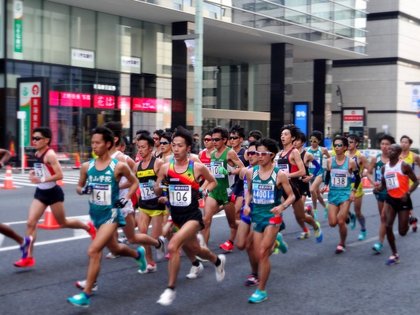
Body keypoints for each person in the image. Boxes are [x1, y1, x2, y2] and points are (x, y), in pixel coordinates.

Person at [67, 127, 146, 308]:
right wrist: (84, 190)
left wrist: (125, 198)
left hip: (112, 214)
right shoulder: (87, 166)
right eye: (92, 142)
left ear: (108, 144)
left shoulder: (118, 166)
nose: (94, 146)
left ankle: (86, 294)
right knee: (116, 248)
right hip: (96, 214)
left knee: (94, 251)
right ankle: (137, 254)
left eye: (98, 143)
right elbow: (79, 187)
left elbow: (134, 182)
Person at [154, 127, 226, 306]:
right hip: (176, 215)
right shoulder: (165, 168)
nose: (176, 149)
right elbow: (158, 187)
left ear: (188, 148)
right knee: (196, 249)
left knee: (174, 245)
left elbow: (213, 182)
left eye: (180, 146)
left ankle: (170, 289)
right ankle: (217, 260)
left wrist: (202, 191)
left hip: (192, 216)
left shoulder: (197, 167)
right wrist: (162, 192)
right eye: (174, 145)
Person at [14, 127, 96, 268]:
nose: (34, 141)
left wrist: (41, 180)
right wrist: (34, 173)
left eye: (37, 138)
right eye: (33, 138)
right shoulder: (37, 152)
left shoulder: (50, 154)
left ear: (47, 140)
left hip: (53, 193)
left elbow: (59, 175)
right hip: (40, 193)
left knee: (63, 222)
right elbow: (43, 170)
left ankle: (87, 227)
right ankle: (28, 257)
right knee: (30, 223)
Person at [244, 138, 295, 303]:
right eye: (256, 152)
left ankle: (262, 290)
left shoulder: (279, 175)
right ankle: (277, 241)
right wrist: (246, 204)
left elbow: (292, 196)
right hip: (258, 215)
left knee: (263, 253)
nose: (258, 156)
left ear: (271, 155)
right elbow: (249, 191)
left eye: (262, 153)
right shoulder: (252, 172)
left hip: (273, 216)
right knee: (260, 253)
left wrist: (282, 207)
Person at [277, 125, 323, 243]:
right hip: (282, 187)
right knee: (275, 209)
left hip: (295, 187)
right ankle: (275, 238)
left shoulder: (295, 152)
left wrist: (288, 175)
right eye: (282, 134)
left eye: (286, 134)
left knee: (300, 216)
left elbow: (302, 171)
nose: (283, 136)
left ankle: (315, 225)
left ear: (292, 138)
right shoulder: (280, 153)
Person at [374, 144, 419, 265]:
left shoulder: (404, 166)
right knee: (388, 225)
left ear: (398, 153)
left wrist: (408, 192)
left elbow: (415, 181)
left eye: (392, 149)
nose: (389, 151)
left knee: (402, 232)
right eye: (388, 149)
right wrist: (378, 189)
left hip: (403, 200)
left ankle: (410, 219)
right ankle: (394, 254)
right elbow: (384, 185)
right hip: (391, 199)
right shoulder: (384, 168)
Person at [203, 126, 244, 251]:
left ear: (224, 140)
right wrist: (204, 188)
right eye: (212, 140)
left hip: (227, 192)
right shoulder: (213, 154)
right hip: (215, 191)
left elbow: (242, 168)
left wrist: (229, 172)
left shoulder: (230, 153)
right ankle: (203, 249)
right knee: (206, 220)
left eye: (216, 140)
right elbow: (211, 173)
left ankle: (247, 229)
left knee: (232, 223)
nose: (213, 142)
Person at [135, 133, 167, 273]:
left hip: (156, 205)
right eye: (138, 147)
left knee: (153, 238)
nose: (140, 150)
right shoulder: (137, 166)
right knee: (142, 235)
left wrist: (157, 186)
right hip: (144, 205)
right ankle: (150, 262)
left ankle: (159, 243)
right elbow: (135, 184)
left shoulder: (158, 163)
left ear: (150, 148)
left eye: (143, 147)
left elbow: (162, 184)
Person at [323, 136, 360, 254]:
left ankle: (342, 243)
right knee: (332, 223)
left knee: (340, 221)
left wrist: (353, 191)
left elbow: (358, 178)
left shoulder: (351, 162)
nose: (337, 147)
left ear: (345, 147)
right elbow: (328, 175)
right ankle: (347, 216)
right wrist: (325, 185)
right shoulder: (329, 161)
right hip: (333, 194)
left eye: (340, 145)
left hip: (345, 194)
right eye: (335, 145)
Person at [220, 125, 249, 252]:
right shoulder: (226, 152)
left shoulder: (246, 153)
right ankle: (246, 234)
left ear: (241, 139)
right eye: (230, 138)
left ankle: (231, 241)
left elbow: (247, 169)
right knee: (231, 215)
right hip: (230, 186)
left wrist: (232, 172)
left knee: (236, 212)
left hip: (244, 186)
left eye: (235, 138)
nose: (232, 140)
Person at [367, 134, 395, 254]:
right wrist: (374, 183)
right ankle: (386, 233)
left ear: (391, 146)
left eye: (387, 144)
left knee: (384, 216)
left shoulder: (395, 160)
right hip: (380, 191)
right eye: (382, 144)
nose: (384, 146)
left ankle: (379, 242)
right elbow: (368, 173)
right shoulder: (376, 159)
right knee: (383, 218)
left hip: (392, 192)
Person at [346, 134, 368, 240]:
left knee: (358, 211)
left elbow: (368, 168)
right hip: (345, 185)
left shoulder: (360, 156)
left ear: (356, 144)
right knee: (342, 209)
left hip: (356, 185)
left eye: (351, 142)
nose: (348, 144)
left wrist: (364, 172)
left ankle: (363, 229)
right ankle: (351, 216)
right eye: (347, 141)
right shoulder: (344, 154)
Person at [307, 130, 330, 220]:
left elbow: (329, 159)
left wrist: (326, 167)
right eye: (311, 141)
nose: (312, 143)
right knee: (317, 194)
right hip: (311, 174)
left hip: (320, 173)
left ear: (319, 141)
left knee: (312, 190)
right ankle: (326, 207)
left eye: (315, 141)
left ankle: (315, 210)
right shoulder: (307, 150)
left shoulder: (323, 149)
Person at [399, 135, 420, 232]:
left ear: (409, 144)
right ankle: (412, 218)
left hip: (410, 184)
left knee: (404, 199)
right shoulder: (397, 155)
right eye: (402, 142)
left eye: (406, 142)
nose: (403, 144)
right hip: (398, 183)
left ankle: (411, 219)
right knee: (404, 202)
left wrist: (417, 178)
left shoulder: (414, 156)